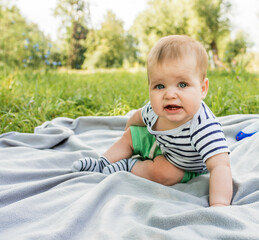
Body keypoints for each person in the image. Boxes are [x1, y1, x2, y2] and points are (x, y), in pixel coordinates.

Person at [72, 35, 233, 207]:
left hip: (183, 163)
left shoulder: (203, 126)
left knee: (164, 174)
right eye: (160, 86)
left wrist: (219, 205)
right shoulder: (154, 110)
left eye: (182, 84)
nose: (170, 94)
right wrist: (127, 139)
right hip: (160, 143)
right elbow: (137, 118)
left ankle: (129, 165)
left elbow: (220, 167)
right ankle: (103, 163)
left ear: (202, 89)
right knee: (130, 136)